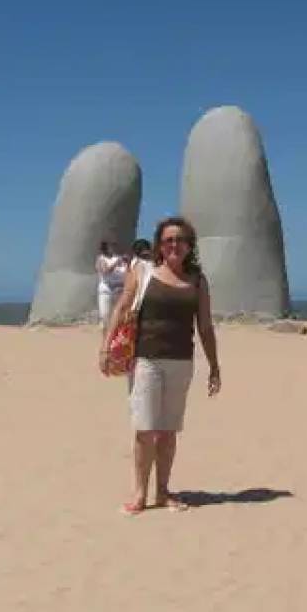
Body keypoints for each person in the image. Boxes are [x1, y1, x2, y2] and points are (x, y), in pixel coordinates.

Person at [99, 217, 221, 516]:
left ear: (190, 245)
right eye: (168, 240)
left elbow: (205, 326)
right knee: (144, 428)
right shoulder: (142, 272)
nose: (174, 245)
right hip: (146, 359)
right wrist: (105, 345)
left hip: (181, 361)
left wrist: (214, 366)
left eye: (180, 240)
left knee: (168, 431)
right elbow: (122, 307)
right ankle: (140, 493)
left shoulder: (197, 280)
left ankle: (163, 490)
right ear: (159, 245)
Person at [96, 239, 128, 328]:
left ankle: (116, 340)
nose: (114, 247)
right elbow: (105, 271)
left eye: (114, 245)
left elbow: (127, 273)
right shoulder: (101, 259)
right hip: (107, 291)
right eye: (111, 245)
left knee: (119, 318)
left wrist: (127, 263)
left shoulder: (120, 258)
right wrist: (116, 263)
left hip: (120, 291)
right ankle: (106, 339)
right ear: (105, 247)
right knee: (105, 317)